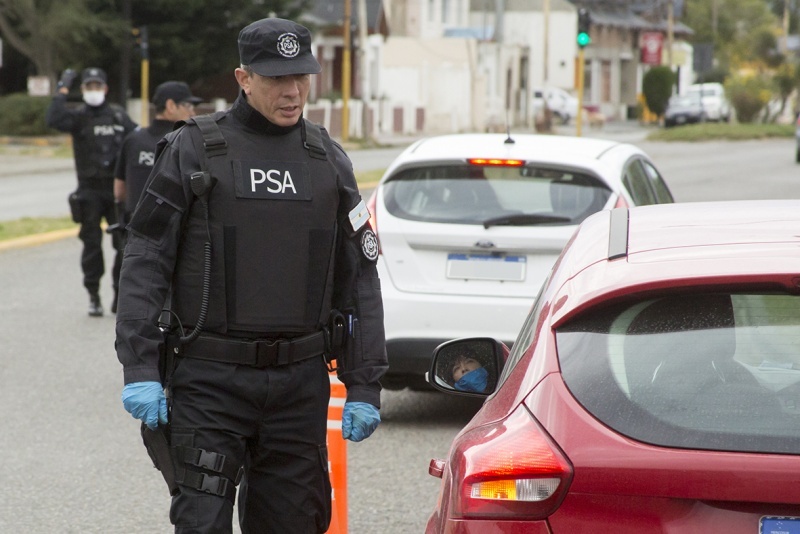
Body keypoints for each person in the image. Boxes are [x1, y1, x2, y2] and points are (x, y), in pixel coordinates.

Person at [115, 17, 388, 534]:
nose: (292, 91)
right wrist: (141, 367)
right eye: (275, 79)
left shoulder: (327, 158)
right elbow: (146, 258)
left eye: (301, 77)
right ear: (243, 78)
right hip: (210, 380)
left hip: (299, 383)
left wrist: (365, 382)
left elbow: (359, 277)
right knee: (202, 522)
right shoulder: (195, 148)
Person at [46, 67, 138, 316]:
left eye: (98, 86)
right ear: (83, 90)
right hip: (89, 191)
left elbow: (137, 141)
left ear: (105, 89)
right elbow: (53, 119)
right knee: (92, 245)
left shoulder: (118, 116)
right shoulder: (78, 117)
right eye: (89, 87)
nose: (94, 91)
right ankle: (93, 295)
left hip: (116, 192)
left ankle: (120, 295)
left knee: (123, 245)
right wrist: (62, 90)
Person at [110, 80, 202, 286]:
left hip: (136, 230)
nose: (193, 112)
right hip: (178, 233)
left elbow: (119, 190)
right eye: (188, 106)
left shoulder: (133, 140)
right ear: (171, 106)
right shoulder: (188, 140)